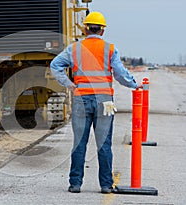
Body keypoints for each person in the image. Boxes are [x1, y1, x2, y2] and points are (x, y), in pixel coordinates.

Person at [50, 11, 142, 194]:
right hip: (104, 101)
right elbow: (120, 74)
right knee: (104, 144)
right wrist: (134, 85)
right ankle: (106, 185)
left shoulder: (74, 49)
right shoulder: (109, 49)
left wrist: (70, 85)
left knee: (79, 143)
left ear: (85, 29)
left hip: (81, 100)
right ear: (102, 31)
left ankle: (75, 184)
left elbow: (55, 66)